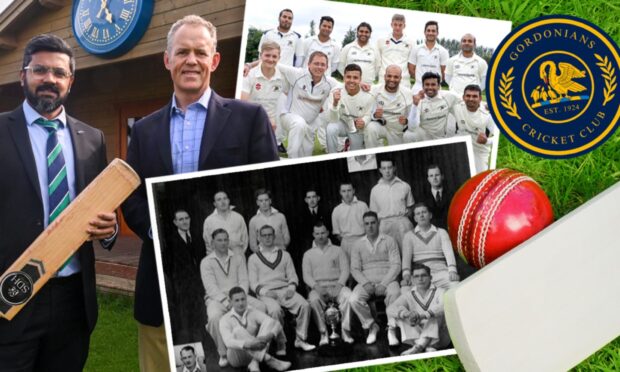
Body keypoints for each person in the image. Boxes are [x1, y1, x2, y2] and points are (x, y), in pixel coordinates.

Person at [121, 15, 278, 372]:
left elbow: (265, 182)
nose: (191, 60)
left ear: (214, 60)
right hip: (162, 275)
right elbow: (130, 197)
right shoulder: (144, 131)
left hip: (229, 272)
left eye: (199, 52)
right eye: (182, 52)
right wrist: (156, 231)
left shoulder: (249, 117)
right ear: (167, 60)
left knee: (233, 353)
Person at [0, 33, 117, 371]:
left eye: (59, 72)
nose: (49, 79)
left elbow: (100, 207)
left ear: (71, 81)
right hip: (13, 292)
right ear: (23, 76)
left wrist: (108, 231)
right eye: (40, 70)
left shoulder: (92, 139)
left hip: (72, 300)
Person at [201, 228, 267, 368]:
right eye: (219, 240)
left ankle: (257, 348)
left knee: (261, 307)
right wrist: (226, 301)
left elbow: (244, 280)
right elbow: (211, 287)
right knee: (214, 317)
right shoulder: (206, 262)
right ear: (212, 243)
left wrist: (238, 299)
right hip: (216, 299)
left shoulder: (238, 257)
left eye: (226, 239)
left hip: (238, 295)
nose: (223, 243)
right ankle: (223, 353)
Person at [248, 225, 316, 351]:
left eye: (270, 235)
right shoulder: (253, 258)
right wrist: (266, 292)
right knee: (275, 310)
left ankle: (300, 339)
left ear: (274, 236)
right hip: (266, 294)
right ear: (259, 238)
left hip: (285, 290)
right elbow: (253, 283)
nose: (267, 238)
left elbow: (293, 276)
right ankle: (281, 342)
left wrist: (291, 289)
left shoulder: (285, 255)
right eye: (264, 235)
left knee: (305, 305)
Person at [349, 212, 401, 346]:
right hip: (367, 281)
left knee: (395, 293)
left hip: (388, 280)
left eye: (373, 223)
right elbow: (355, 268)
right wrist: (365, 283)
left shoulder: (389, 240)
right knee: (353, 299)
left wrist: (384, 284)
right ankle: (372, 326)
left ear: (378, 223)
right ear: (363, 226)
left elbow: (396, 265)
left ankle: (391, 329)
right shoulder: (357, 244)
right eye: (367, 224)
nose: (370, 226)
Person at [302, 222, 354, 345]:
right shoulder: (308, 254)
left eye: (323, 233)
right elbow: (306, 276)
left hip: (337, 286)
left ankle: (345, 331)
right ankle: (323, 333)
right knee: (313, 299)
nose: (320, 236)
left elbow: (345, 270)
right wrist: (317, 287)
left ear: (328, 233)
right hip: (319, 287)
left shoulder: (338, 250)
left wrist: (340, 285)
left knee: (350, 296)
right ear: (313, 235)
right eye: (317, 233)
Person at [219, 287, 290, 372]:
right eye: (237, 300)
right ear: (230, 302)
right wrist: (250, 344)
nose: (241, 303)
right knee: (238, 331)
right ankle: (268, 359)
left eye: (243, 299)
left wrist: (268, 336)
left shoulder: (252, 311)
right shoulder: (224, 319)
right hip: (237, 358)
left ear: (246, 299)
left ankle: (254, 363)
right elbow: (228, 342)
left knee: (269, 322)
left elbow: (276, 324)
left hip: (253, 354)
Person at [387, 263, 450, 355]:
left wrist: (423, 315)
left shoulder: (441, 291)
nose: (420, 279)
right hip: (417, 336)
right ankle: (422, 345)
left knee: (436, 314)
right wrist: (407, 314)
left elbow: (444, 305)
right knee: (399, 311)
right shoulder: (408, 294)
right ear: (412, 279)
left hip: (439, 339)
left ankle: (419, 347)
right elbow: (390, 308)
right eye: (416, 276)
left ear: (430, 277)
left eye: (423, 275)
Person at [165, 210, 205, 344]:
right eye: (181, 219)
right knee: (184, 321)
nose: (185, 221)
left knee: (199, 318)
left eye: (187, 218)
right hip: (182, 288)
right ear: (175, 222)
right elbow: (169, 265)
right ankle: (189, 346)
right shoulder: (171, 241)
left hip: (198, 285)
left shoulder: (197, 236)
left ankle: (202, 346)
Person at [241, 41, 289, 148]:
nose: (271, 59)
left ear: (279, 58)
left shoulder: (282, 77)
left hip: (271, 127)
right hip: (249, 121)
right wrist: (263, 119)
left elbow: (291, 93)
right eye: (267, 55)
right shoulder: (249, 74)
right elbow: (242, 106)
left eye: (274, 56)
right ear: (260, 55)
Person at [401, 203, 459, 291]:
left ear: (430, 215)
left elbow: (449, 254)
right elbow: (406, 259)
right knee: (405, 289)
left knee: (455, 284)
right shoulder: (408, 236)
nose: (421, 215)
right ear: (415, 218)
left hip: (440, 272)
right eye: (418, 213)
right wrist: (406, 275)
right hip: (419, 275)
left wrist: (452, 271)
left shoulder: (441, 232)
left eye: (424, 212)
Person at [326, 63, 374, 153]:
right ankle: (332, 156)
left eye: (355, 78)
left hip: (357, 128)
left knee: (356, 156)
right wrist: (335, 103)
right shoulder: (335, 91)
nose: (351, 80)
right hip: (343, 124)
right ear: (344, 78)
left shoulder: (368, 95)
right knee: (331, 128)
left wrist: (364, 121)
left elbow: (368, 114)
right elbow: (333, 119)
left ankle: (350, 146)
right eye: (348, 77)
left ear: (360, 79)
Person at [369, 159, 414, 251]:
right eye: (384, 168)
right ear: (380, 170)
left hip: (402, 223)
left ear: (394, 168)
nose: (387, 171)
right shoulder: (375, 190)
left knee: (407, 252)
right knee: (388, 253)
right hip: (384, 225)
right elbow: (373, 212)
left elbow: (410, 207)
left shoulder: (404, 186)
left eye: (389, 167)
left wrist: (402, 220)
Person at [365, 65, 413, 148]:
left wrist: (406, 121)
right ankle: (371, 156)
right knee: (370, 128)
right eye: (389, 76)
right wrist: (375, 115)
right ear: (384, 76)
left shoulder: (407, 93)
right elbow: (367, 112)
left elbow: (412, 117)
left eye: (396, 77)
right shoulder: (375, 89)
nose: (392, 79)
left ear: (400, 78)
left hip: (397, 130)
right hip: (381, 126)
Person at [403, 71, 460, 142]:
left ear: (439, 86)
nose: (430, 87)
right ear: (423, 86)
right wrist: (415, 105)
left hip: (441, 137)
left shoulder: (449, 96)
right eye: (427, 84)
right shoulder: (418, 100)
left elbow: (465, 101)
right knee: (409, 135)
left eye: (433, 84)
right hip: (424, 136)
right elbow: (412, 127)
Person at [454, 84, 497, 173]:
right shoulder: (457, 107)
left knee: (478, 180)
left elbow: (497, 138)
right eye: (468, 96)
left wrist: (486, 141)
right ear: (463, 97)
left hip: (480, 151)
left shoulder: (487, 115)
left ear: (480, 99)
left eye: (474, 96)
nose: (471, 99)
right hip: (461, 148)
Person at [202, 191, 248, 256]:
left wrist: (240, 255)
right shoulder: (209, 221)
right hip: (219, 259)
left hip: (238, 256)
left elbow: (245, 239)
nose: (223, 202)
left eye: (225, 198)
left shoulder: (238, 217)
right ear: (215, 204)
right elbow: (208, 244)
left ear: (228, 201)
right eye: (219, 199)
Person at [408, 21, 449, 93]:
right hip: (418, 87)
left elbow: (444, 72)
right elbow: (411, 69)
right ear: (424, 32)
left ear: (437, 33)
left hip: (436, 88)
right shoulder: (416, 49)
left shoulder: (443, 51)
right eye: (428, 30)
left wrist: (433, 83)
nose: (430, 33)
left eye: (433, 31)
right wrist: (421, 80)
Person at [331, 181, 369, 258]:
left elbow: (369, 224)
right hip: (346, 243)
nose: (347, 194)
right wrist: (347, 241)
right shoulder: (337, 210)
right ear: (340, 192)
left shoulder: (363, 205)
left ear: (353, 191)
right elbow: (336, 232)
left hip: (363, 240)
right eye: (344, 191)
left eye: (349, 190)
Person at [376, 14, 414, 88]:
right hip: (384, 81)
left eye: (400, 25)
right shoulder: (381, 41)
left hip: (403, 82)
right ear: (391, 24)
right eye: (395, 24)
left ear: (404, 26)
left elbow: (411, 64)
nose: (397, 27)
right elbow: (377, 61)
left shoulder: (411, 43)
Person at [248, 188, 290, 253]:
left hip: (280, 252)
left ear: (270, 201)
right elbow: (252, 244)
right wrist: (261, 256)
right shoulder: (253, 221)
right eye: (261, 201)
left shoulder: (280, 216)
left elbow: (287, 237)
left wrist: (281, 250)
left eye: (266, 200)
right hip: (263, 256)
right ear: (257, 202)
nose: (264, 203)